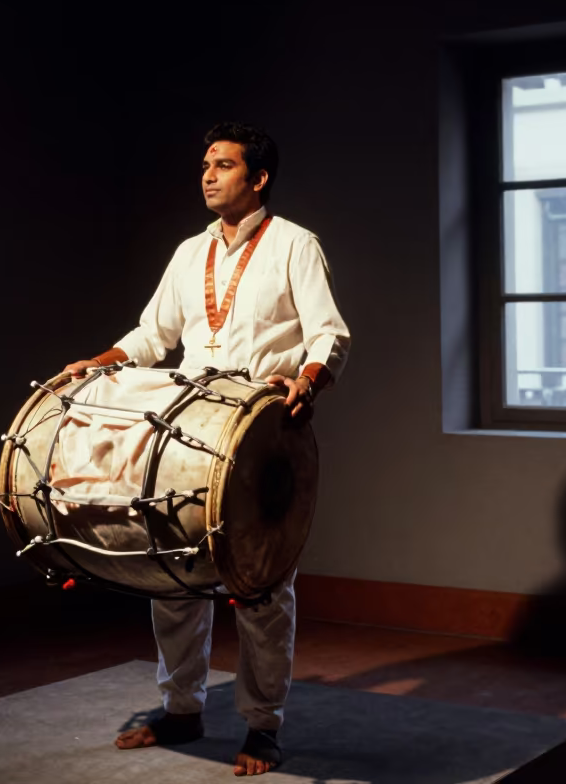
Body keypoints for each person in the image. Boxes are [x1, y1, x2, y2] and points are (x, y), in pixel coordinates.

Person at [62, 122, 350, 776]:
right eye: (204, 165)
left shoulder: (295, 245)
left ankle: (262, 726)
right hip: (186, 432)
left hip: (259, 433)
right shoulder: (190, 251)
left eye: (223, 165)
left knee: (261, 587)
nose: (208, 175)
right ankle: (182, 709)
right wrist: (100, 362)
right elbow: (151, 333)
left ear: (259, 177)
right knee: (175, 575)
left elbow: (329, 335)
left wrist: (307, 380)